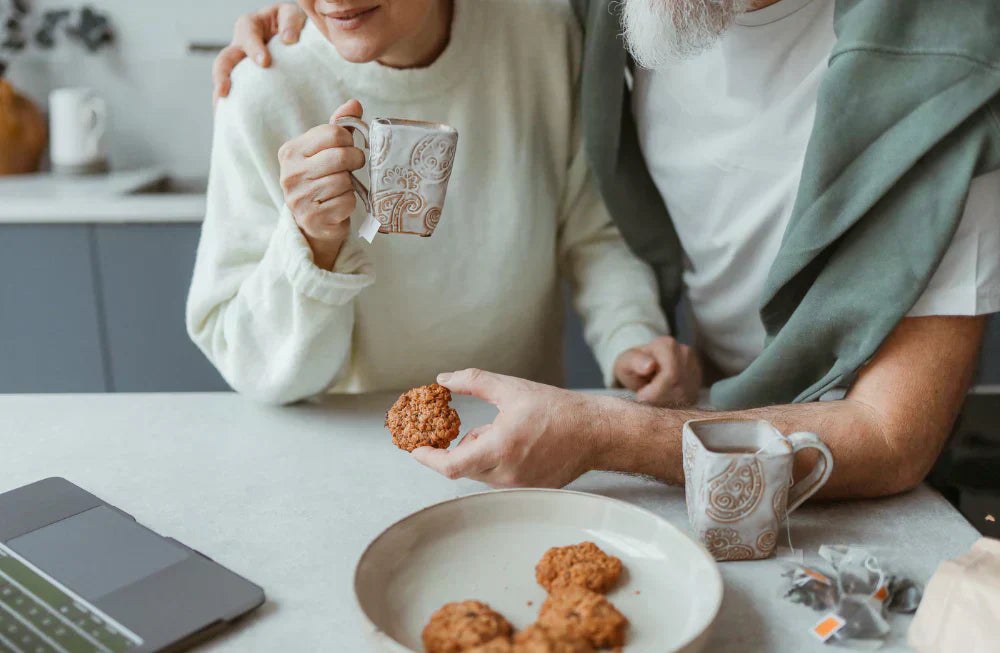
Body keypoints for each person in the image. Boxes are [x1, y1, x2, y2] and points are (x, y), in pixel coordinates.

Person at [213, 0, 1000, 499]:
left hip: (825, 480)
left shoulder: (948, 69)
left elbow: (892, 437)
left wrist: (610, 414)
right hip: (347, 467)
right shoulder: (602, 19)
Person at [188, 0, 703, 407]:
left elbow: (595, 234)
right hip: (344, 453)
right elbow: (253, 367)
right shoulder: (261, 90)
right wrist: (313, 245)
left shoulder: (543, 33)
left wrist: (630, 336)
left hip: (523, 441)